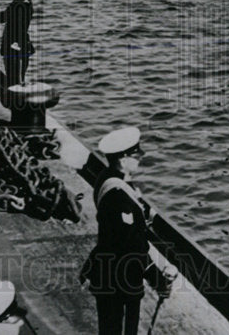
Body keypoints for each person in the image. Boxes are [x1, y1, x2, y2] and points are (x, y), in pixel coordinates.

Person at [80, 127, 174, 335]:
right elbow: (131, 246)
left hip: (107, 272)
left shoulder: (108, 178)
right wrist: (157, 278)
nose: (140, 156)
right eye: (135, 154)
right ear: (123, 160)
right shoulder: (120, 197)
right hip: (121, 279)